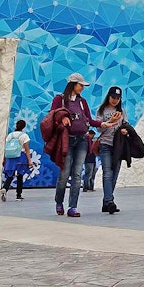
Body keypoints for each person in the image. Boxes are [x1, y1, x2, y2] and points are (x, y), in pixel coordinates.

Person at [50, 73, 96, 217]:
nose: (82, 88)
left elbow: (89, 119)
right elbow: (51, 115)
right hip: (67, 140)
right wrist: (62, 117)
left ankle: (73, 206)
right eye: (80, 85)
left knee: (77, 174)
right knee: (64, 173)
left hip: (82, 140)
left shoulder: (82, 102)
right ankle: (59, 202)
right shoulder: (60, 100)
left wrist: (104, 124)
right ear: (73, 84)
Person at [95, 86, 129, 214]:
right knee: (107, 173)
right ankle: (110, 201)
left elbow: (126, 124)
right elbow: (99, 129)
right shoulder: (101, 110)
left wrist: (125, 130)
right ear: (108, 97)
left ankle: (106, 203)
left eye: (117, 98)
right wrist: (111, 120)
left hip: (118, 147)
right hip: (105, 145)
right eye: (113, 97)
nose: (115, 100)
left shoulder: (122, 111)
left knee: (114, 175)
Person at [1, 120, 33, 202]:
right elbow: (27, 150)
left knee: (10, 175)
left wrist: (4, 159)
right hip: (20, 156)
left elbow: (6, 148)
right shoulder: (24, 136)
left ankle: (5, 188)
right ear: (24, 126)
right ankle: (18, 195)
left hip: (9, 157)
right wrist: (29, 160)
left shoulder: (10, 135)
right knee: (20, 175)